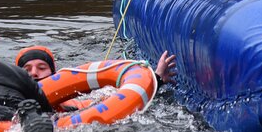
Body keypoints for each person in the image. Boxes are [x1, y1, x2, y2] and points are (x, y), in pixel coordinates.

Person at [15, 44, 177, 84]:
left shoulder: (72, 100)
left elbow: (126, 101)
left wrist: (157, 79)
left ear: (54, 73)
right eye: (27, 69)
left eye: (42, 67)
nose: (34, 73)